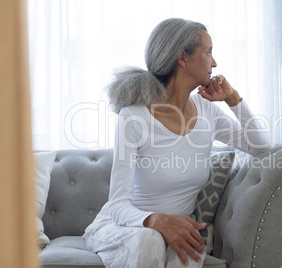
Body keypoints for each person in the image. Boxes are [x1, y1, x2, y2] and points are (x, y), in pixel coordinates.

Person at [83, 18, 271, 268]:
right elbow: (117, 205)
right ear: (183, 58)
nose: (214, 63)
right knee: (149, 240)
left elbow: (261, 148)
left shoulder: (208, 112)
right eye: (208, 52)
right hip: (129, 228)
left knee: (186, 256)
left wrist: (234, 99)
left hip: (181, 230)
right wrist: (157, 221)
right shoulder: (134, 117)